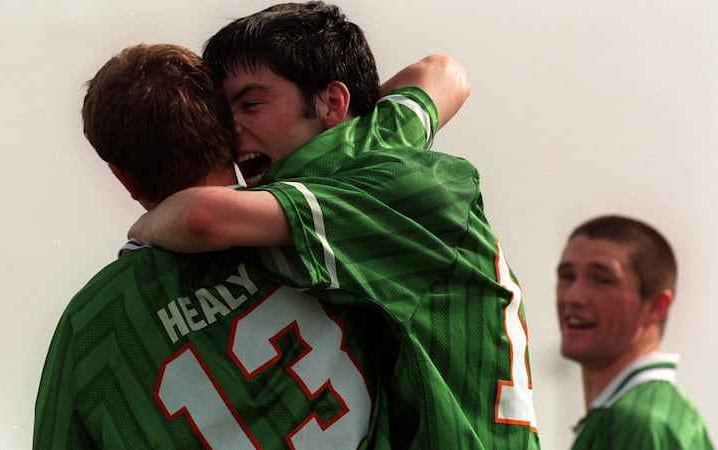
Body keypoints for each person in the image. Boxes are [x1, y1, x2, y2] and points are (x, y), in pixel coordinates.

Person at [128, 2, 540, 449]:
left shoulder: (357, 192)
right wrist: (362, 126)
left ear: (332, 100)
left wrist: (144, 227)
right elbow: (443, 72)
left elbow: (200, 217)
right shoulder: (382, 146)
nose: (231, 133)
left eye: (251, 104)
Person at [34, 42, 470, 447]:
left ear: (121, 176)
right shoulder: (321, 207)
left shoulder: (91, 322)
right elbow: (438, 74)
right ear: (230, 132)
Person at [556, 215, 713, 449]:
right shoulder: (650, 410)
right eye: (567, 276)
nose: (573, 297)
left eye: (601, 280)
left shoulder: (638, 421)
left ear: (656, 306)